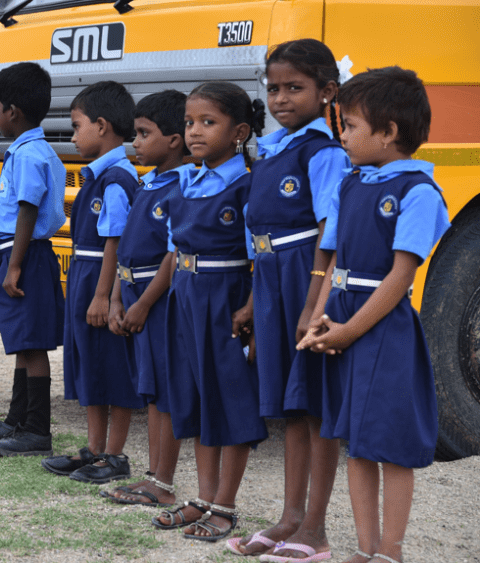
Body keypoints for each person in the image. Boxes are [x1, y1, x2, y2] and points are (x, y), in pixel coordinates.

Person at [298, 66, 449, 563]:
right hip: (342, 316)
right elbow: (335, 259)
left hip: (381, 328)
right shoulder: (351, 183)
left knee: (389, 443)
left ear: (389, 133)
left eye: (352, 126)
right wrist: (321, 318)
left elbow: (399, 279)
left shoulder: (417, 193)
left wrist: (348, 329)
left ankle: (391, 550)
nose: (342, 136)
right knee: (356, 441)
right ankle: (364, 550)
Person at [228, 39, 349, 561]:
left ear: (327, 92)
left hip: (307, 280)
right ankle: (290, 518)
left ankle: (316, 532)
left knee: (316, 405)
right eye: (273, 88)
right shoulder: (274, 149)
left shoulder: (322, 153)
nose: (280, 99)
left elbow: (332, 229)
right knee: (292, 409)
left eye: (294, 88)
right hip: (273, 283)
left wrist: (312, 301)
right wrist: (257, 300)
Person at [152, 82, 267, 542]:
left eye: (208, 122)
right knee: (194, 396)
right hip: (185, 295)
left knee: (230, 399)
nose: (194, 132)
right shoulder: (185, 180)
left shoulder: (248, 185)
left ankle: (226, 504)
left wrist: (253, 309)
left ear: (239, 132)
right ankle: (201, 498)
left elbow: (259, 257)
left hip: (226, 300)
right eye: (189, 122)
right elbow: (173, 249)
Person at [0, 62, 66, 457]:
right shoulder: (28, 150)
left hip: (27, 256)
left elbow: (28, 209)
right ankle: (17, 421)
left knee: (32, 345)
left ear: (13, 112)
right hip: (17, 252)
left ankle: (36, 430)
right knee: (23, 342)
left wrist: (14, 265)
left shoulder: (28, 154)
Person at [101, 90, 194, 505]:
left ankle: (165, 483)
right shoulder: (148, 183)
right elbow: (127, 251)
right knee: (153, 391)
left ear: (174, 139)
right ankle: (155, 476)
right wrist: (119, 299)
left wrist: (142, 303)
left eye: (143, 134)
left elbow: (172, 256)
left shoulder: (182, 187)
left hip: (159, 302)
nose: (134, 143)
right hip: (135, 295)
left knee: (166, 393)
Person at [43, 81, 138, 482]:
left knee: (113, 367)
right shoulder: (96, 175)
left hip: (101, 276)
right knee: (90, 365)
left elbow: (115, 240)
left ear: (102, 126)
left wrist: (103, 295)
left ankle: (114, 456)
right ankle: (94, 448)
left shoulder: (116, 178)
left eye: (77, 125)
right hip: (85, 274)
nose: (74, 134)